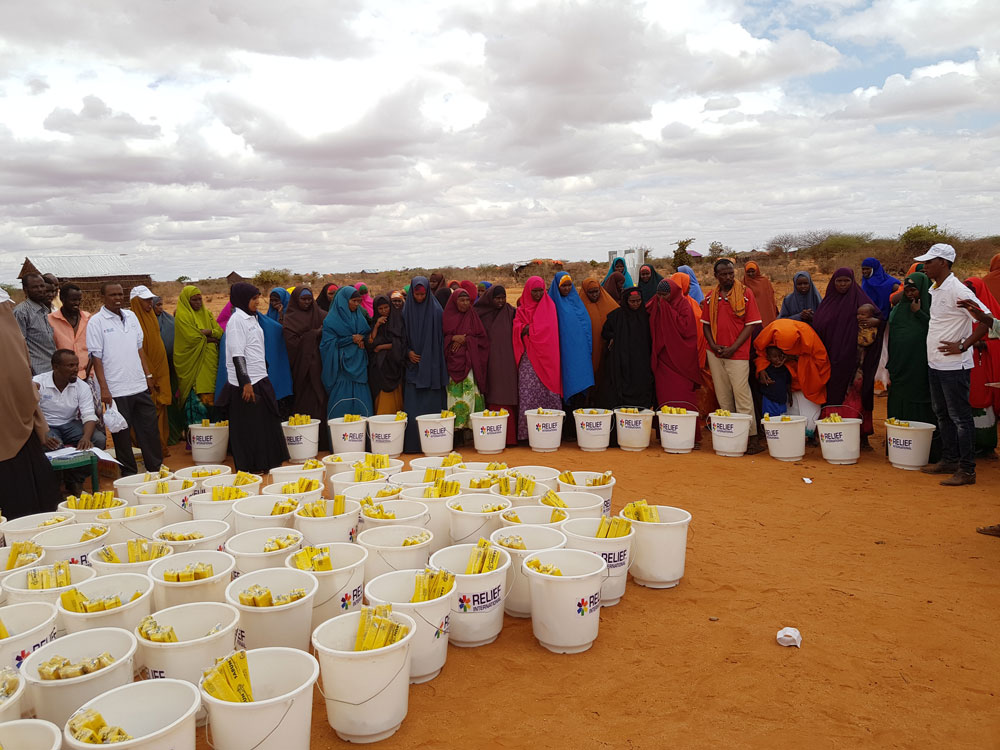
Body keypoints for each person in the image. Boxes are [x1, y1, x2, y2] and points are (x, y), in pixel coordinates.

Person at [917, 244, 990, 486]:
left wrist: (964, 344)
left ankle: (967, 470)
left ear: (944, 263)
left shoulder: (958, 290)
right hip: (936, 363)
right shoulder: (936, 288)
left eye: (929, 262)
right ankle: (949, 459)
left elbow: (985, 320)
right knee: (942, 413)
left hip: (954, 366)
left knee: (960, 417)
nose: (925, 266)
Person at [87, 282, 162, 476]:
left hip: (138, 385)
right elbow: (96, 358)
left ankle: (155, 469)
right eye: (112, 295)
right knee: (121, 437)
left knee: (149, 431)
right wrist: (104, 388)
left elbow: (139, 349)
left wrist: (148, 375)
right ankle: (129, 475)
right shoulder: (96, 322)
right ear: (102, 296)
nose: (117, 298)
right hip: (116, 390)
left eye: (120, 294)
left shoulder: (131, 316)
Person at [0, 287, 59, 515]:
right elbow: (18, 380)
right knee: (24, 494)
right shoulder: (8, 335)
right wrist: (31, 393)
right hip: (16, 427)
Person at [219, 283, 289, 472]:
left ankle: (267, 464)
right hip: (247, 383)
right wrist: (246, 383)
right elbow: (237, 355)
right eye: (253, 298)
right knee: (250, 428)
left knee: (266, 424)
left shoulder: (252, 318)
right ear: (242, 299)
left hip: (260, 378)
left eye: (258, 297)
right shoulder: (236, 321)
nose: (257, 302)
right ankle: (250, 466)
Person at [702, 259, 765, 453]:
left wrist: (733, 347)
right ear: (716, 276)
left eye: (731, 273)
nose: (728, 277)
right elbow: (705, 324)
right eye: (724, 274)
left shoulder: (745, 294)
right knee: (723, 395)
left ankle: (752, 437)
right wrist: (712, 345)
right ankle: (731, 434)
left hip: (737, 353)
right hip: (715, 352)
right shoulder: (710, 297)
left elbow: (751, 324)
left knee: (742, 394)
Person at [35, 350, 106, 494]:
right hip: (47, 425)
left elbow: (88, 415)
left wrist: (86, 438)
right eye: (70, 365)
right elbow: (31, 413)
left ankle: (75, 481)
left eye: (76, 365)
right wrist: (43, 434)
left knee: (98, 439)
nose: (75, 369)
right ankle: (55, 487)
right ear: (55, 367)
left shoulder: (82, 386)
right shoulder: (38, 383)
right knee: (55, 445)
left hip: (70, 424)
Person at [886, 272, 939, 460]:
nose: (910, 294)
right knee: (899, 402)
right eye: (907, 290)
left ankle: (925, 449)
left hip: (920, 366)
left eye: (914, 289)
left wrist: (919, 314)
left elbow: (938, 330)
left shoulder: (932, 307)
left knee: (920, 403)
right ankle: (898, 444)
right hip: (900, 366)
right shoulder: (899, 309)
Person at [813, 268, 878, 414]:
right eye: (839, 281)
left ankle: (857, 430)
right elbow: (818, 324)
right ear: (833, 282)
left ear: (852, 281)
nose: (843, 284)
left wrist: (876, 322)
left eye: (846, 281)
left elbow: (879, 317)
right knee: (832, 390)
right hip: (829, 357)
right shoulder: (827, 303)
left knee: (855, 392)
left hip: (855, 359)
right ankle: (831, 427)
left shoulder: (860, 299)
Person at [753, 319, 831, 440]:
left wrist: (795, 358)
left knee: (808, 425)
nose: (783, 354)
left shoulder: (809, 338)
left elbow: (821, 364)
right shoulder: (769, 334)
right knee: (782, 422)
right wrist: (762, 368)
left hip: (806, 385)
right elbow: (760, 353)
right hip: (782, 387)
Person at [401, 277, 448, 452]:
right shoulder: (406, 312)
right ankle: (413, 445)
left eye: (422, 294)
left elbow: (441, 340)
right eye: (416, 294)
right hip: (413, 366)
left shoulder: (436, 311)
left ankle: (435, 446)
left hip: (433, 367)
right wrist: (407, 352)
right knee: (413, 409)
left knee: (432, 409)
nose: (420, 297)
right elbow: (400, 336)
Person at [513, 276, 562, 440]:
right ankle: (527, 434)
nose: (538, 294)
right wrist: (524, 328)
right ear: (528, 291)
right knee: (527, 392)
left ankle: (551, 431)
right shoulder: (521, 309)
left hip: (548, 357)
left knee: (549, 391)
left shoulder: (550, 307)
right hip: (528, 358)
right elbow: (517, 327)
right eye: (534, 291)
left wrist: (529, 329)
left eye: (541, 290)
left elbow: (548, 330)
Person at [130, 285, 173, 455]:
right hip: (147, 373)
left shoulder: (151, 318)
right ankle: (144, 448)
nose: (150, 303)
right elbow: (139, 350)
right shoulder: (133, 321)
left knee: (161, 407)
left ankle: (160, 445)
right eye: (146, 300)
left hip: (160, 371)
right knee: (145, 412)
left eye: (150, 300)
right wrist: (149, 373)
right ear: (136, 302)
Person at [283, 287, 328, 446]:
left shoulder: (321, 314)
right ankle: (305, 441)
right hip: (301, 370)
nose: (308, 302)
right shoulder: (289, 319)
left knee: (320, 401)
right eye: (304, 299)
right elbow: (291, 344)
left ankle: (322, 440)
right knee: (304, 403)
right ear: (296, 300)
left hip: (320, 367)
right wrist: (313, 335)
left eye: (310, 298)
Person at [474, 284, 518, 444]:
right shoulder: (480, 313)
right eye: (497, 298)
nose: (500, 301)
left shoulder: (511, 312)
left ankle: (510, 438)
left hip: (508, 361)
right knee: (493, 394)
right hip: (489, 361)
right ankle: (493, 437)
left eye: (503, 298)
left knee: (508, 394)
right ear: (490, 298)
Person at [321, 287, 374, 421]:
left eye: (359, 301)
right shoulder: (331, 321)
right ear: (343, 301)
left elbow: (367, 333)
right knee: (340, 409)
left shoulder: (359, 317)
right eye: (354, 301)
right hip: (341, 368)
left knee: (363, 408)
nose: (357, 304)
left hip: (359, 367)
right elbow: (327, 344)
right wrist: (350, 339)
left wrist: (363, 338)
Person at [671, 271, 717, 421]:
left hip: (697, 351)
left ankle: (702, 413)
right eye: (686, 285)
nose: (689, 288)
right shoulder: (678, 304)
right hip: (687, 352)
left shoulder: (689, 302)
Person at [646, 280, 699, 412]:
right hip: (663, 359)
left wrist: (667, 311)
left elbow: (686, 328)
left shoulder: (683, 305)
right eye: (659, 295)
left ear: (673, 293)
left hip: (680, 360)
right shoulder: (655, 303)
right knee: (665, 397)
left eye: (665, 295)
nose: (662, 298)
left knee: (683, 394)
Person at [174, 285, 222, 429]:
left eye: (200, 299)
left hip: (210, 362)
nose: (198, 303)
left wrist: (208, 332)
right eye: (194, 300)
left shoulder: (207, 314)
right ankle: (197, 440)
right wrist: (211, 337)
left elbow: (219, 332)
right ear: (187, 301)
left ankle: (215, 438)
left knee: (212, 400)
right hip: (193, 365)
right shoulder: (182, 316)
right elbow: (191, 338)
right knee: (196, 404)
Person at [599, 285, 655, 409]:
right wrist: (613, 337)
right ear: (626, 301)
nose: (636, 304)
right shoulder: (617, 316)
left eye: (638, 301)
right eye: (632, 301)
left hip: (642, 360)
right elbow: (605, 332)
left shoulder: (646, 316)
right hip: (623, 358)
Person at [442, 288, 488, 435]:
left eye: (467, 300)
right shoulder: (446, 317)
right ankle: (456, 432)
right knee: (454, 397)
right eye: (461, 300)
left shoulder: (473, 317)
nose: (465, 303)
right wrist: (452, 338)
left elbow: (483, 340)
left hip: (470, 366)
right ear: (455, 302)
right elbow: (439, 339)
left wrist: (466, 339)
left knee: (471, 395)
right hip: (453, 364)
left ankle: (470, 430)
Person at [965, 277, 1000, 458]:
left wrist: (983, 345)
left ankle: (986, 444)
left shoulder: (990, 312)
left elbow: (998, 339)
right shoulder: (963, 310)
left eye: (972, 290)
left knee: (983, 399)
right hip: (964, 363)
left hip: (983, 364)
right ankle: (969, 442)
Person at [549, 273, 595, 409]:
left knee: (579, 385)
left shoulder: (577, 302)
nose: (567, 289)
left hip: (579, 353)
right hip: (561, 353)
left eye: (569, 285)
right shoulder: (551, 304)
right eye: (563, 286)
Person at [367, 294, 407, 414]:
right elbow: (370, 343)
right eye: (380, 309)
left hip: (394, 366)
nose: (384, 311)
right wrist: (377, 326)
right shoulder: (374, 323)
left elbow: (399, 343)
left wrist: (380, 347)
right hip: (380, 370)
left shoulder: (397, 321)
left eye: (386, 307)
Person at [580, 278, 619, 392]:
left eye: (596, 291)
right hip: (588, 349)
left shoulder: (611, 305)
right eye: (590, 292)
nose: (594, 295)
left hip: (606, 348)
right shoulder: (580, 307)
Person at [14, 272, 56, 375]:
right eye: (35, 287)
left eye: (42, 286)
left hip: (51, 370)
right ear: (25, 290)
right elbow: (18, 345)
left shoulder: (45, 310)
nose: (40, 290)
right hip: (36, 372)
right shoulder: (21, 312)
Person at [49, 284, 92, 380]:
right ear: (62, 299)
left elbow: (94, 350)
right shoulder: (50, 320)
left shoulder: (89, 319)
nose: (77, 303)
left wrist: (88, 374)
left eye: (79, 300)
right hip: (62, 377)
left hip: (88, 375)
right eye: (73, 300)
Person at [759, 347, 792, 417]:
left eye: (779, 356)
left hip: (782, 400)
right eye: (774, 356)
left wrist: (790, 396)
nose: (778, 358)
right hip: (769, 399)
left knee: (782, 419)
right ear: (768, 358)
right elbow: (760, 381)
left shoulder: (785, 369)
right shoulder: (765, 369)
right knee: (768, 419)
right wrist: (765, 382)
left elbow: (788, 383)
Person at [743, 261, 779, 327]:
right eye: (748, 272)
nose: (751, 274)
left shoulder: (765, 281)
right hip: (751, 315)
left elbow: (770, 299)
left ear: (757, 270)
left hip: (766, 312)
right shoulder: (743, 283)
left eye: (753, 271)